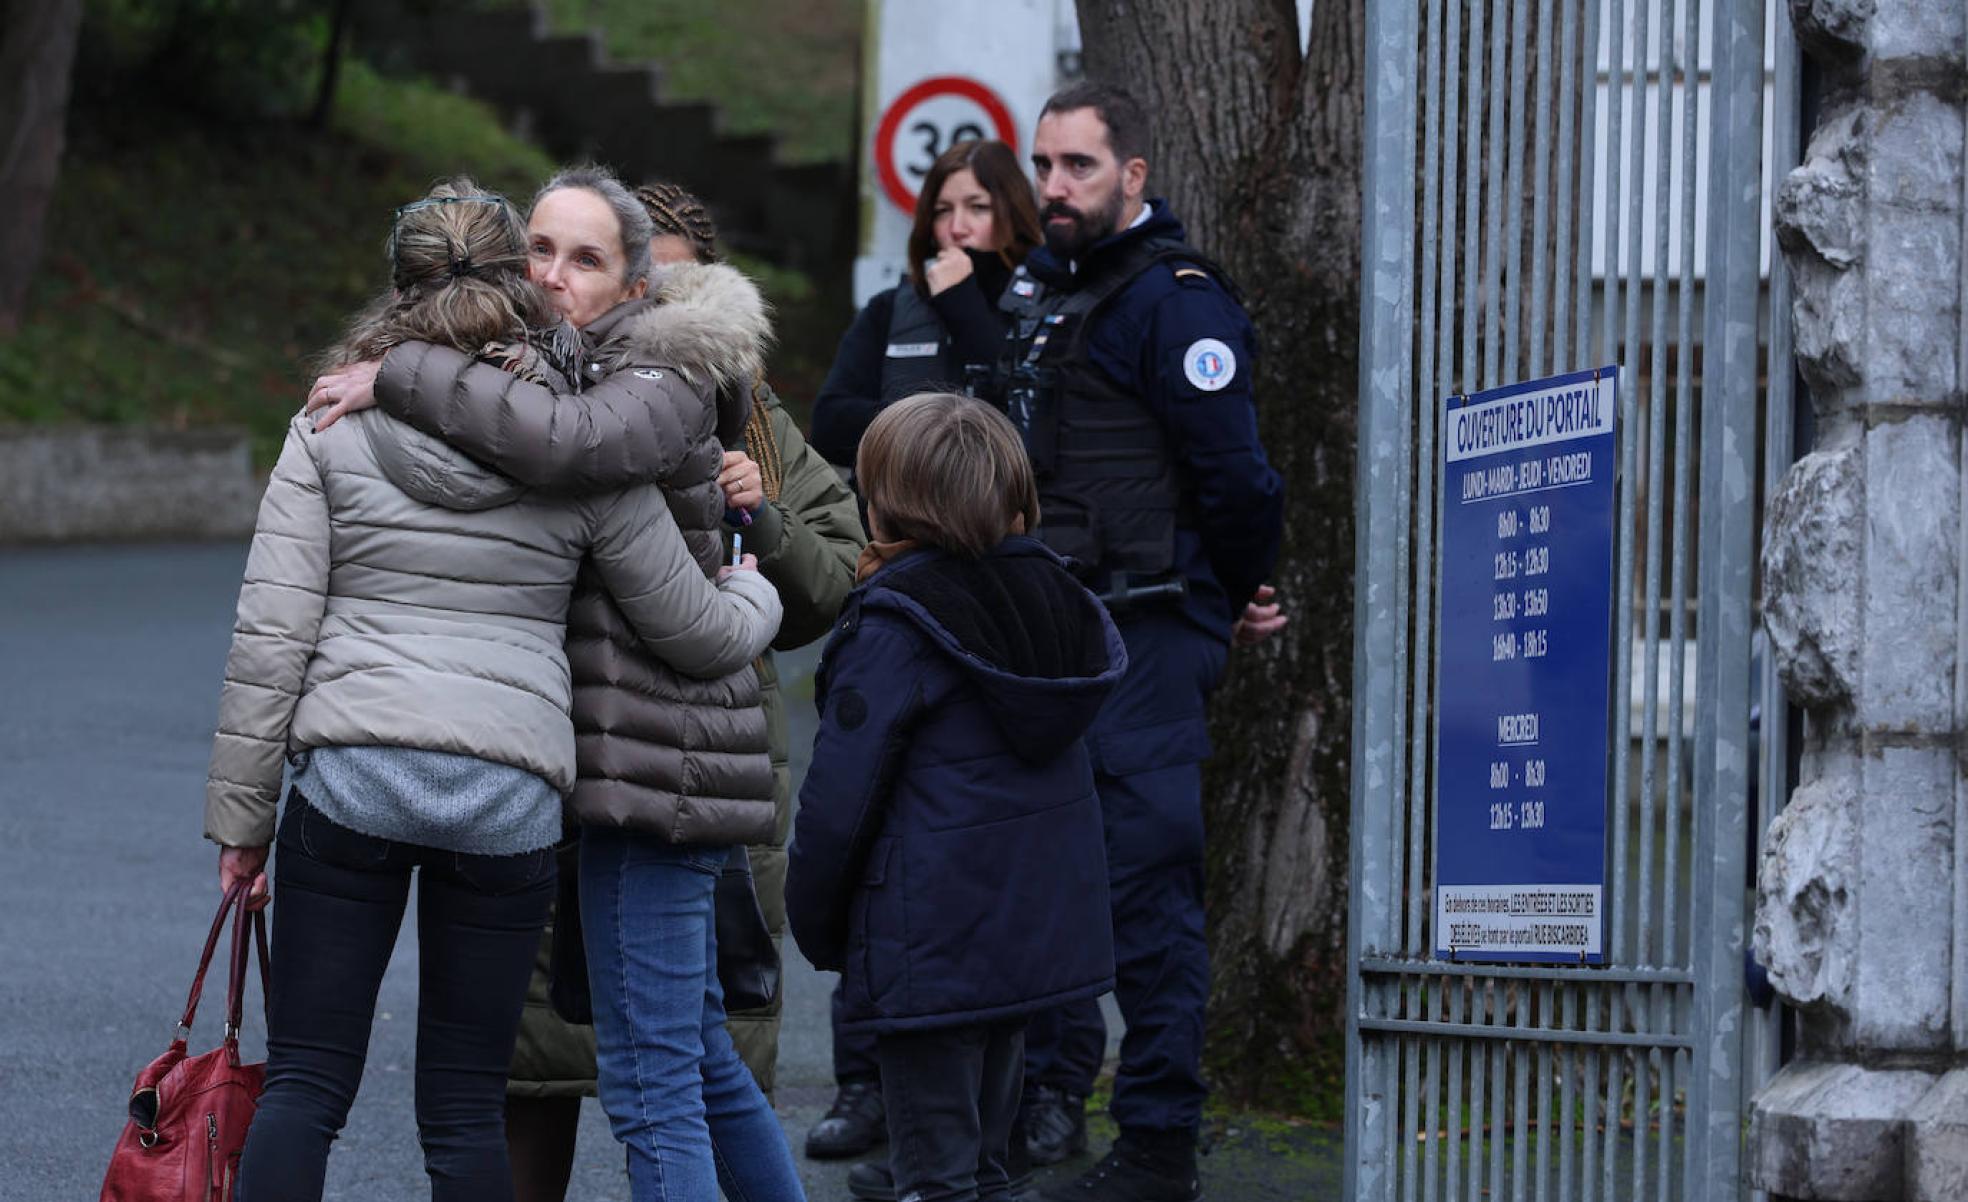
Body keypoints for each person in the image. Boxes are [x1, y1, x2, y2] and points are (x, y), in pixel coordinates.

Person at [207, 177, 782, 1202]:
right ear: (517, 282)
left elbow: (271, 637)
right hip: (510, 796)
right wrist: (755, 597)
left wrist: (244, 824)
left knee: (304, 1084)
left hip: (351, 778)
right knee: (467, 1111)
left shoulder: (331, 421)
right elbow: (690, 628)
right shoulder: (576, 443)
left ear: (401, 281)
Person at [488, 179, 865, 1202]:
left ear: (639, 284)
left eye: (584, 259)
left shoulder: (648, 387)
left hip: (657, 772)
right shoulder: (614, 373)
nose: (551, 277)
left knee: (654, 1085)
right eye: (538, 249)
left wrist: (390, 373)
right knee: (693, 1053)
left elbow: (562, 453)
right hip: (651, 765)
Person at [987, 82, 1288, 1202]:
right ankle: (1035, 1109)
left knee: (1148, 898)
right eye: (1046, 164)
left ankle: (1159, 1144)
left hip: (1145, 635)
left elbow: (1239, 478)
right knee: (1035, 877)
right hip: (1046, 631)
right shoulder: (1045, 291)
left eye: (1077, 166)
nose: (1055, 186)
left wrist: (1232, 588)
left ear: (1133, 176)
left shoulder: (1178, 304)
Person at [788, 392, 1125, 1202]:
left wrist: (816, 920)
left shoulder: (894, 626)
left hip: (929, 943)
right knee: (990, 1167)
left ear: (885, 503)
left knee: (934, 1178)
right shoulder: (1057, 602)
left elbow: (840, 799)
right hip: (1028, 941)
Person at [808, 139, 1041, 474]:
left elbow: (1019, 412)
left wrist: (961, 303)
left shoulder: (1041, 303)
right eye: (942, 211)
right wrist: (925, 427)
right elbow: (829, 425)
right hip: (893, 517)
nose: (957, 228)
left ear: (1013, 213)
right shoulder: (889, 309)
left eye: (978, 207)